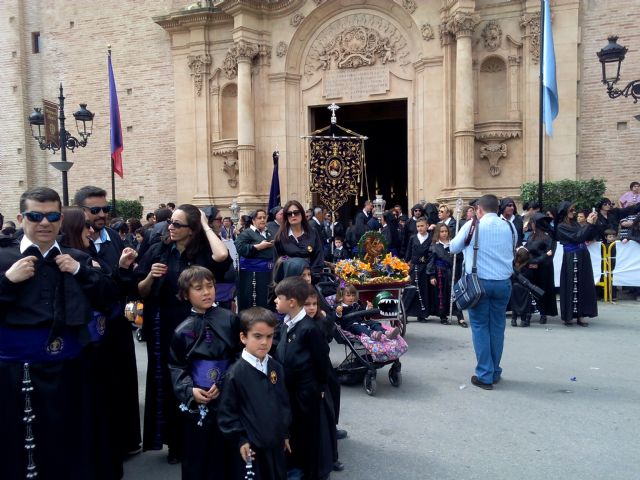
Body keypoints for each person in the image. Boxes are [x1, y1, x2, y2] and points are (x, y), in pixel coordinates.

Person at [0, 187, 115, 479]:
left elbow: (110, 299)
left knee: (70, 441)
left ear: (61, 219)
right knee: (21, 446)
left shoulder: (77, 258)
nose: (44, 223)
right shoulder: (4, 258)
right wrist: (8, 281)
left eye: (52, 216)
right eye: (35, 215)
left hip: (71, 369)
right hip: (15, 373)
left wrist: (81, 271)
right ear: (20, 217)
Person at [136, 203, 231, 462]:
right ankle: (175, 442)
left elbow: (222, 257)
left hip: (201, 326)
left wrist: (205, 225)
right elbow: (139, 290)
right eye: (171, 223)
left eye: (178, 224)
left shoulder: (202, 252)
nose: (171, 227)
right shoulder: (158, 250)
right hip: (166, 325)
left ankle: (202, 437)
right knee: (171, 381)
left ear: (192, 229)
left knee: (201, 378)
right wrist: (150, 278)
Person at [74, 185, 142, 457]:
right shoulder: (73, 247)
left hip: (118, 322)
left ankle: (126, 440)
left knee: (123, 381)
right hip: (91, 329)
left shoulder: (113, 236)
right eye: (95, 210)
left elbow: (123, 281)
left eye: (105, 209)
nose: (101, 214)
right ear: (80, 212)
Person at [168, 266, 241, 480]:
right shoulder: (182, 330)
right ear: (185, 294)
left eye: (210, 286)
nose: (206, 292)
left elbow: (239, 355)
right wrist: (190, 390)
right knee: (198, 452)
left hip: (226, 394)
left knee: (227, 449)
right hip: (198, 397)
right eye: (198, 288)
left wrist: (226, 382)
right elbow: (176, 366)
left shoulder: (229, 319)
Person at [218, 307, 292, 480]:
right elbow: (227, 413)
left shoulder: (276, 368)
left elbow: (283, 403)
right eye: (257, 336)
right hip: (252, 448)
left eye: (269, 336)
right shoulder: (235, 374)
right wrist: (240, 439)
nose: (264, 342)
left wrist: (285, 433)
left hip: (275, 444)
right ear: (243, 337)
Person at [450, 194, 515, 390]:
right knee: (497, 327)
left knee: (479, 327)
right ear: (498, 209)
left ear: (479, 209)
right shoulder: (510, 226)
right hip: (503, 283)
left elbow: (453, 247)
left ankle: (485, 374)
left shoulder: (472, 225)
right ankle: (494, 370)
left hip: (479, 283)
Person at [273, 277, 333, 480]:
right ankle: (293, 464)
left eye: (278, 298)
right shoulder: (285, 325)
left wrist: (321, 385)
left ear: (291, 302)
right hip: (289, 390)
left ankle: (307, 469)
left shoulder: (309, 328)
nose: (275, 301)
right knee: (292, 430)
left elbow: (321, 359)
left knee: (305, 432)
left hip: (305, 391)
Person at [554, 201, 599, 326]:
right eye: (571, 210)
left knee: (583, 283)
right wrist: (587, 225)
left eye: (574, 210)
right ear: (564, 212)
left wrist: (592, 224)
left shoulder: (575, 223)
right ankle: (569, 315)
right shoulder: (561, 226)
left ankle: (581, 314)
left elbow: (587, 236)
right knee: (571, 284)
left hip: (583, 255)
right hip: (571, 257)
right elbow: (577, 237)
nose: (574, 212)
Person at [427, 223, 467, 327]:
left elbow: (460, 258)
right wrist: (431, 276)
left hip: (452, 272)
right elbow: (431, 261)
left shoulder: (453, 244)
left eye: (446, 231)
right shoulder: (434, 246)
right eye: (442, 231)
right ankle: (443, 315)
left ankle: (460, 317)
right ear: (438, 233)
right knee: (442, 295)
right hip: (440, 273)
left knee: (456, 294)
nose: (444, 233)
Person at [235, 209, 276, 310]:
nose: (262, 220)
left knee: (265, 298)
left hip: (268, 273)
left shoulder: (268, 233)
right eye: (259, 218)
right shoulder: (247, 233)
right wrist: (258, 247)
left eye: (264, 217)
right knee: (253, 300)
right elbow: (240, 248)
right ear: (253, 220)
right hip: (252, 274)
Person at [274, 200, 324, 277]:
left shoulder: (313, 232)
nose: (293, 216)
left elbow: (318, 255)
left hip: (310, 278)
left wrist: (312, 275)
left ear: (302, 214)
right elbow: (278, 259)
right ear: (286, 217)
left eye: (296, 212)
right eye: (289, 214)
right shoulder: (280, 236)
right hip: (290, 279)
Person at [335, 284, 400, 340]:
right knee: (358, 327)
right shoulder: (340, 307)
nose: (351, 298)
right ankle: (372, 334)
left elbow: (364, 316)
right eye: (348, 296)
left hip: (361, 322)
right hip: (349, 326)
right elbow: (335, 318)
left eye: (353, 295)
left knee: (374, 323)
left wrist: (368, 310)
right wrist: (338, 313)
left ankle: (386, 333)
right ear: (341, 297)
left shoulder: (356, 304)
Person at [525, 213, 558, 323]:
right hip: (531, 267)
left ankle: (543, 313)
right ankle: (529, 311)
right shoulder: (530, 235)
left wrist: (537, 262)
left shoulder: (548, 237)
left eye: (532, 222)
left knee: (543, 290)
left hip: (543, 267)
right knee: (531, 290)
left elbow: (549, 253)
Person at [404, 216, 433, 322]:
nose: (420, 228)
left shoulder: (430, 238)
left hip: (425, 268)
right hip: (414, 267)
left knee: (423, 290)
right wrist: (405, 265)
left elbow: (431, 254)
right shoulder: (413, 238)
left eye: (422, 226)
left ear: (427, 226)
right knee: (410, 290)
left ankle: (421, 314)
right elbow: (408, 252)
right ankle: (405, 313)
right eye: (418, 226)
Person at [510, 248, 535, 327]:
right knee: (525, 304)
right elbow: (531, 277)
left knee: (514, 302)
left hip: (514, 287)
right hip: (525, 288)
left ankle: (514, 319)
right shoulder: (529, 267)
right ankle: (523, 320)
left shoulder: (514, 265)